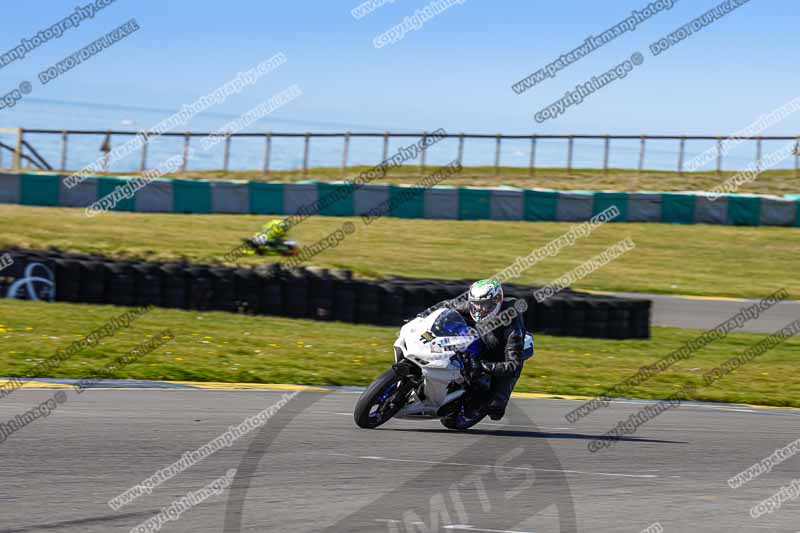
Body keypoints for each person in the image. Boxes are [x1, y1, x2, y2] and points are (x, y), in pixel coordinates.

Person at [418, 278, 529, 420]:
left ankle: (487, 398)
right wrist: (422, 316)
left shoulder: (513, 328)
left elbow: (513, 365)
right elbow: (445, 305)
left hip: (498, 355)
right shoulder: (472, 306)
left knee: (494, 408)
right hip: (476, 339)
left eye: (485, 305)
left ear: (497, 301)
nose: (479, 309)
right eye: (476, 304)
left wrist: (483, 366)